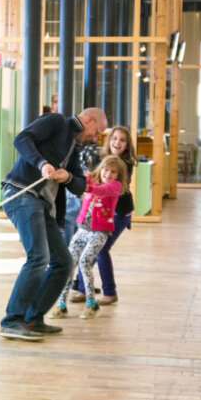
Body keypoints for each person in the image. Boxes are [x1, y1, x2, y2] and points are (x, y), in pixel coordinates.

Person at [0, 108, 108, 341]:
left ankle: (33, 319)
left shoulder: (74, 148)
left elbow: (80, 185)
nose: (97, 138)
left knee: (63, 262)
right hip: (21, 194)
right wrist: (42, 164)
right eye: (97, 131)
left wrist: (66, 177)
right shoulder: (57, 121)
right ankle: (12, 321)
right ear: (88, 121)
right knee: (39, 257)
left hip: (42, 205)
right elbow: (22, 138)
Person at [50, 155, 128, 320]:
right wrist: (66, 176)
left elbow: (100, 191)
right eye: (106, 170)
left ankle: (91, 304)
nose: (108, 174)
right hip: (83, 229)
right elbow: (77, 179)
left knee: (85, 262)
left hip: (100, 232)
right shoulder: (91, 179)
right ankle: (62, 305)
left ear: (118, 175)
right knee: (69, 263)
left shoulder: (115, 186)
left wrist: (83, 186)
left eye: (113, 172)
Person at [70, 126, 137, 305]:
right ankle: (83, 289)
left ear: (127, 145)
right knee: (89, 248)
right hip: (101, 213)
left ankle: (109, 292)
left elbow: (105, 188)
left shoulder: (125, 164)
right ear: (109, 140)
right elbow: (91, 177)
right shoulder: (100, 158)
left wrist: (89, 186)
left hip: (119, 213)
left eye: (122, 140)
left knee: (100, 249)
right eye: (115, 138)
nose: (117, 142)